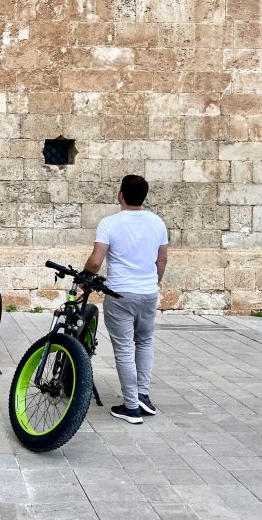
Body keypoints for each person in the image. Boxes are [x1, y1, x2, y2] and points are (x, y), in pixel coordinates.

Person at [83, 174, 168, 425]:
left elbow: (97, 260)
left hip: (120, 293)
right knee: (144, 342)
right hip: (148, 292)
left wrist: (83, 278)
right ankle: (143, 395)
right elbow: (162, 260)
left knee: (123, 348)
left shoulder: (109, 223)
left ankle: (131, 406)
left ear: (120, 195)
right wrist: (153, 282)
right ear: (144, 196)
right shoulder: (157, 222)